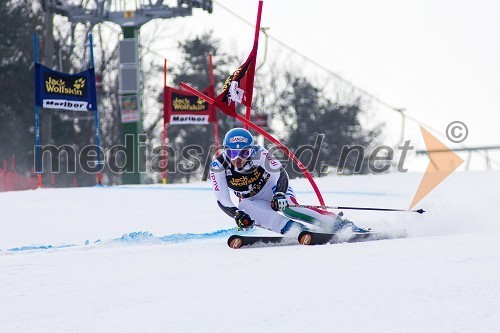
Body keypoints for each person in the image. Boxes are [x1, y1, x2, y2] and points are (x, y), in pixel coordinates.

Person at [209, 128, 368, 234]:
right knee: (244, 208)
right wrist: (237, 215)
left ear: (251, 150)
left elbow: (280, 173)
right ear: (225, 151)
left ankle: (339, 224)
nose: (237, 159)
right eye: (232, 153)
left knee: (290, 209)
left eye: (243, 153)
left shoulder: (259, 154)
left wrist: (279, 194)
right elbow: (223, 199)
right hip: (253, 199)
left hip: (274, 189)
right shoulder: (218, 166)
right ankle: (296, 230)